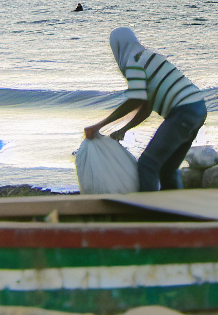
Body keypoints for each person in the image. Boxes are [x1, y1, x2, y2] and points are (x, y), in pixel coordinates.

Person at [84, 28, 207, 192]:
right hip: (198, 108)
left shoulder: (133, 62)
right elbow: (146, 107)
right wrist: (123, 129)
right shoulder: (148, 57)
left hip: (183, 112)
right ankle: (174, 212)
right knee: (167, 169)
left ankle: (148, 213)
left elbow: (136, 100)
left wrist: (99, 126)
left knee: (148, 165)